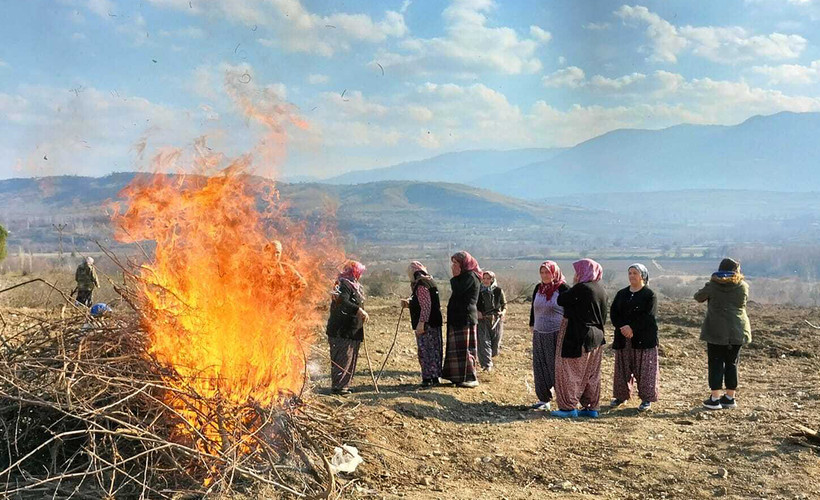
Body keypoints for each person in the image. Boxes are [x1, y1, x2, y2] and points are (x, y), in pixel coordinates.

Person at [552, 258, 608, 418]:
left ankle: (568, 407)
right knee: (591, 373)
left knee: (569, 371)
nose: (576, 275)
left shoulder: (582, 288)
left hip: (578, 335)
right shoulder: (601, 289)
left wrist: (574, 284)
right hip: (597, 337)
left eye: (578, 272)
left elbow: (561, 299)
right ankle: (591, 407)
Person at [694, 258, 751, 410]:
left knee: (715, 363)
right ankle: (730, 397)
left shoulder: (713, 285)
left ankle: (714, 399)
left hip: (716, 330)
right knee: (732, 363)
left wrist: (711, 284)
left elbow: (698, 297)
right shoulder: (743, 286)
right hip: (737, 329)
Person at [610, 263, 659, 412]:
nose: (632, 276)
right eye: (630, 273)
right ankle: (621, 395)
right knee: (622, 368)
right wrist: (623, 327)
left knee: (645, 370)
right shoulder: (621, 294)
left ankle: (646, 399)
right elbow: (614, 313)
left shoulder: (649, 295)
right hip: (623, 337)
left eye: (635, 273)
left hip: (643, 338)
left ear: (642, 276)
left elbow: (648, 316)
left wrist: (632, 328)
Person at [529, 261, 568, 411]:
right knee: (539, 366)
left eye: (548, 272)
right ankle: (543, 399)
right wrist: (532, 324)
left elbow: (570, 311)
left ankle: (564, 400)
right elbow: (534, 308)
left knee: (555, 368)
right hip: (539, 333)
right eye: (542, 272)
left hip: (556, 334)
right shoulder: (538, 288)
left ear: (555, 273)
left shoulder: (563, 289)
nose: (545, 276)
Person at [325, 260, 369, 395]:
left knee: (350, 357)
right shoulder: (343, 284)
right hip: (342, 329)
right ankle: (339, 387)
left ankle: (345, 385)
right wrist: (359, 310)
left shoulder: (354, 285)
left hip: (352, 329)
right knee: (342, 357)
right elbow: (343, 301)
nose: (360, 275)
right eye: (358, 272)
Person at [400, 261, 444, 387]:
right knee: (435, 350)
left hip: (427, 324)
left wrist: (421, 323)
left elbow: (426, 306)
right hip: (434, 322)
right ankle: (435, 377)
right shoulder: (430, 281)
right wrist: (409, 304)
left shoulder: (421, 284)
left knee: (426, 351)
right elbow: (422, 303)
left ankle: (428, 378)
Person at [442, 251, 481, 388]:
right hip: (457, 318)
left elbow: (458, 290)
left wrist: (454, 277)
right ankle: (457, 377)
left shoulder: (470, 276)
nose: (453, 266)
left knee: (466, 349)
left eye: (456, 263)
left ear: (464, 264)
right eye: (453, 263)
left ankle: (470, 377)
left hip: (465, 318)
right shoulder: (464, 276)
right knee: (456, 349)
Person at [476, 270, 506, 371]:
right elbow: (473, 303)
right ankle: (486, 365)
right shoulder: (478, 291)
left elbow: (504, 305)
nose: (486, 280)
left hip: (496, 320)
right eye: (484, 278)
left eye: (488, 278)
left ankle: (490, 358)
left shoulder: (498, 291)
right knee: (484, 342)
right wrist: (477, 312)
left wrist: (503, 312)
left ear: (492, 279)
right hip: (483, 320)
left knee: (495, 343)